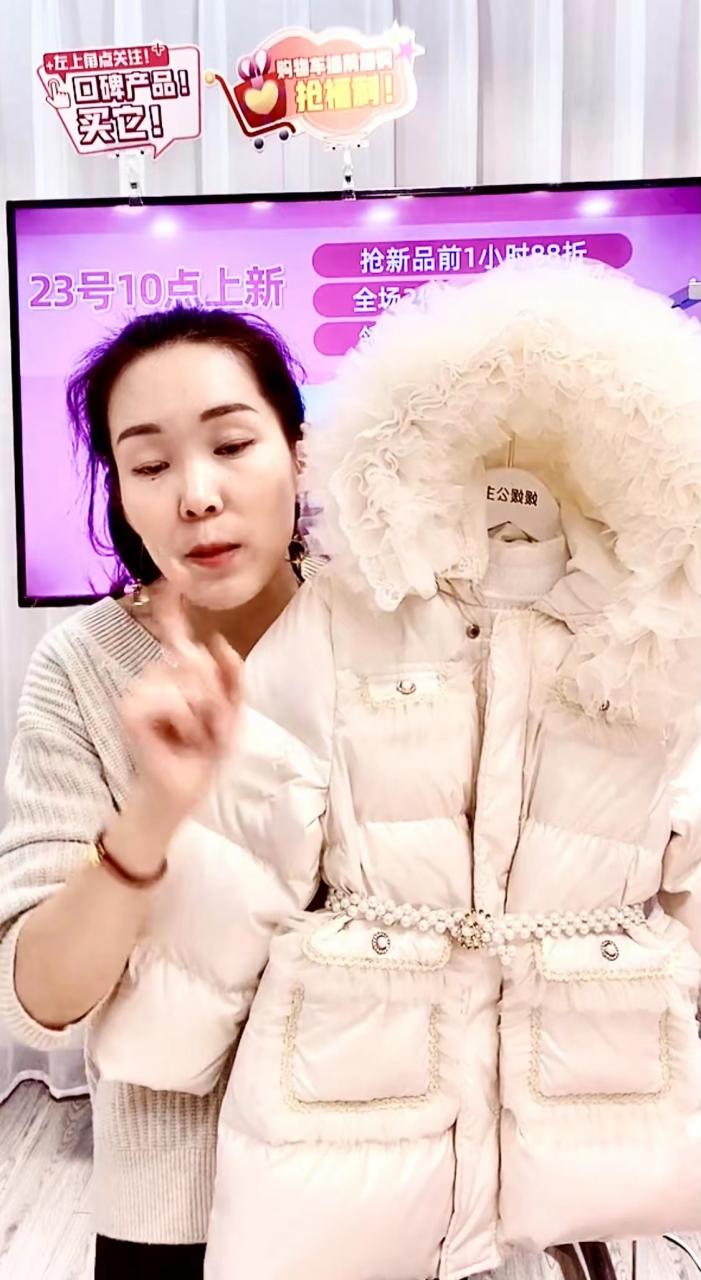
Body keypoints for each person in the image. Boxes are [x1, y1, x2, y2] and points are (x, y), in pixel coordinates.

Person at [92, 261, 701, 1280]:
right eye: (148, 462)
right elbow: (249, 838)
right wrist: (166, 1032)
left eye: (231, 442)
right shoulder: (355, 609)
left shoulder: (660, 645)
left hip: (583, 1089)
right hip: (354, 1089)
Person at [0, 303, 312, 1280]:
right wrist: (154, 811)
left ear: (298, 454)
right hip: (175, 1205)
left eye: (232, 444)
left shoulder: (395, 630)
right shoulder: (82, 665)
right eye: (149, 463)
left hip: (385, 1182)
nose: (197, 495)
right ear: (122, 493)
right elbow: (38, 999)